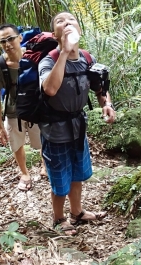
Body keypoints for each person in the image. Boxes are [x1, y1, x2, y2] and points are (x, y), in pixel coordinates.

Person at [39, 12, 116, 235]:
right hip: (55, 129)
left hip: (78, 126)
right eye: (60, 22)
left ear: (79, 30)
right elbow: (50, 89)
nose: (66, 23)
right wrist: (64, 52)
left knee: (77, 173)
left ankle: (77, 212)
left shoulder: (86, 58)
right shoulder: (49, 60)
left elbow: (99, 87)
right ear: (55, 34)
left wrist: (106, 104)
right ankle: (58, 218)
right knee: (59, 176)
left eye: (71, 20)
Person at [0, 23, 45, 191]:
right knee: (16, 143)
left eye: (10, 39)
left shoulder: (34, 57)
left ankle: (46, 166)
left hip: (35, 107)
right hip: (13, 110)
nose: (7, 44)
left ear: (20, 38)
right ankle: (24, 173)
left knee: (43, 139)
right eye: (2, 41)